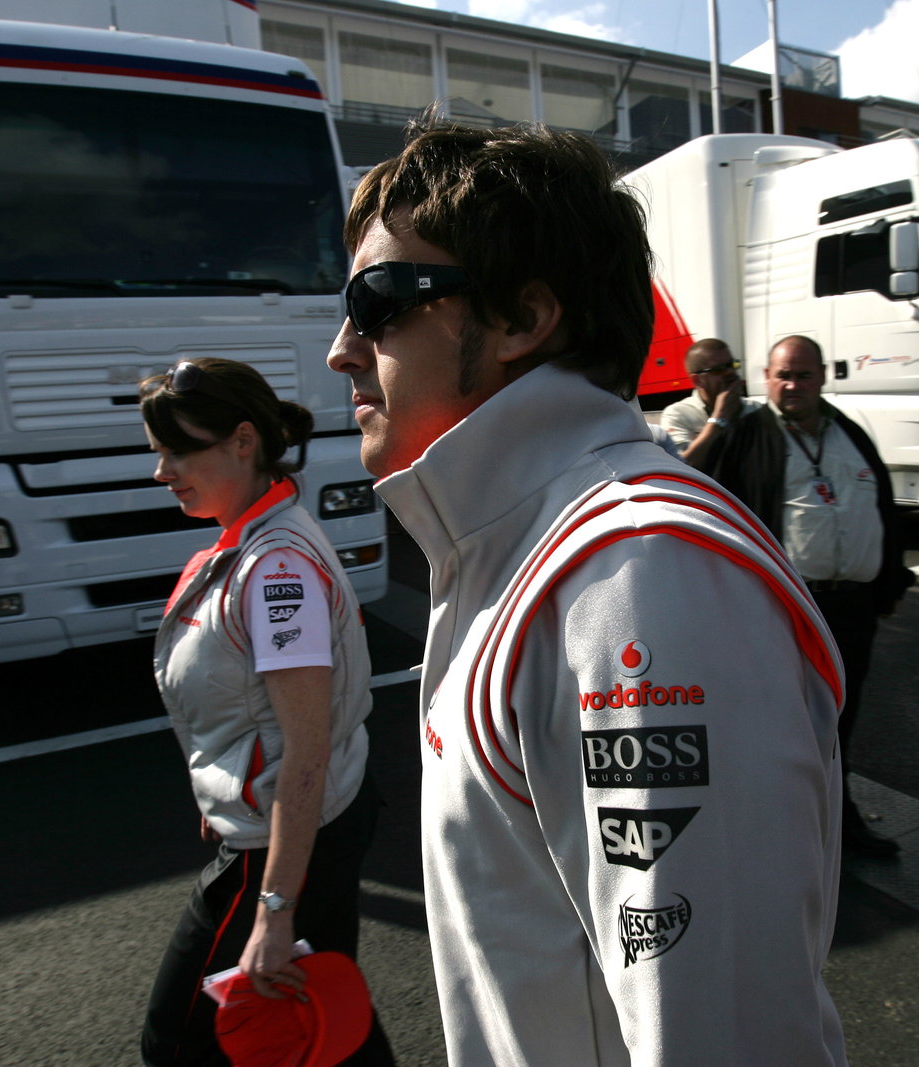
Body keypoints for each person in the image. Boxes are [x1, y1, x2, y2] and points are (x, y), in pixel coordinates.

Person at [327, 119, 849, 1065]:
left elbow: (723, 1037)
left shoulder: (639, 572)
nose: (343, 348)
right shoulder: (509, 542)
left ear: (524, 317)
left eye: (377, 301)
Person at [138, 357, 393, 1066]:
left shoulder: (276, 567)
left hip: (284, 836)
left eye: (178, 451)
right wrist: (225, 782)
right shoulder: (250, 541)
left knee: (175, 1040)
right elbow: (247, 710)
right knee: (321, 1021)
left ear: (243, 441)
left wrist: (274, 911)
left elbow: (305, 748)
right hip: (299, 818)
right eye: (158, 452)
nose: (162, 471)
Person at [709, 336, 916, 857]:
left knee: (840, 720)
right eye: (783, 375)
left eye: (803, 375)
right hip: (787, 611)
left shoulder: (849, 433)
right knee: (782, 724)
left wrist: (889, 581)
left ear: (822, 377)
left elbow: (882, 508)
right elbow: (715, 512)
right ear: (766, 377)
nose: (792, 385)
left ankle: (838, 824)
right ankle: (779, 831)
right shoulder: (749, 436)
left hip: (852, 608)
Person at [658, 337, 759, 465]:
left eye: (732, 365)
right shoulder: (677, 414)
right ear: (697, 380)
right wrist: (719, 418)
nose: (730, 372)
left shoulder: (755, 409)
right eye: (719, 370)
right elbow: (681, 465)